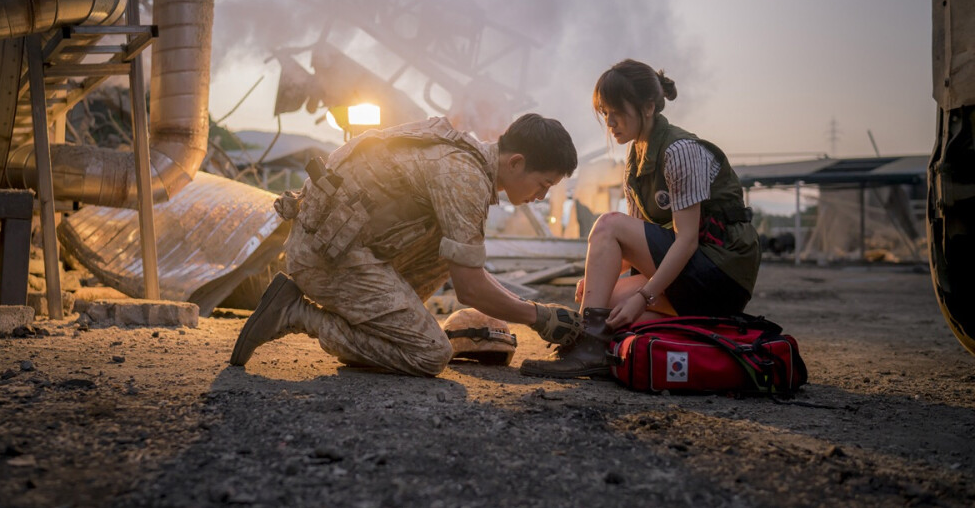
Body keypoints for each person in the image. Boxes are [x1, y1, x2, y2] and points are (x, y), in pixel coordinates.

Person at [230, 113, 583, 376]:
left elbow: (467, 269)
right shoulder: (464, 177)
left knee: (455, 249)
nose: (541, 197)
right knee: (428, 354)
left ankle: (374, 319)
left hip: (344, 247)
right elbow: (471, 289)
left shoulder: (467, 160)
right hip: (325, 257)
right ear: (516, 162)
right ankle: (295, 312)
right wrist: (539, 316)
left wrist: (532, 308)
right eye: (544, 184)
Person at [521, 59, 760, 378]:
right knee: (608, 309)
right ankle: (599, 348)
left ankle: (587, 347)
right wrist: (596, 278)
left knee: (608, 224)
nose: (610, 122)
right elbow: (635, 244)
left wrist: (644, 296)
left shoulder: (680, 151)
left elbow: (686, 241)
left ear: (648, 107)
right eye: (605, 113)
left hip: (721, 274)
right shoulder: (636, 158)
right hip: (693, 276)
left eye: (616, 111)